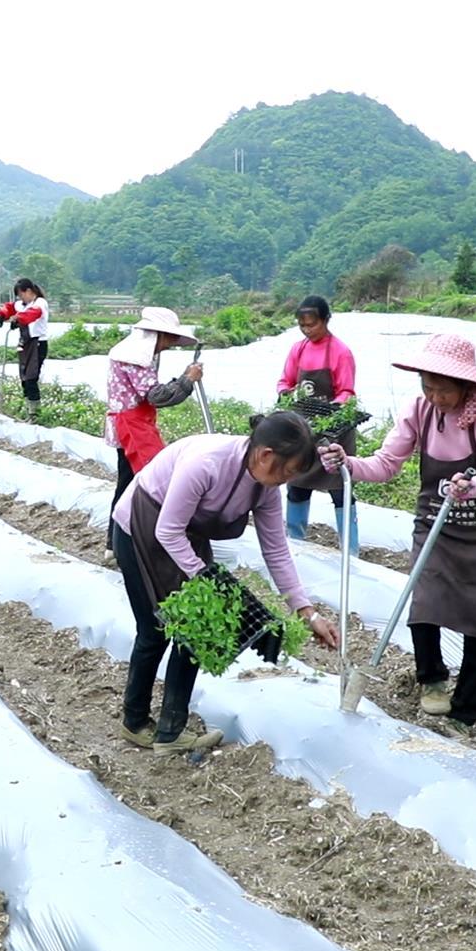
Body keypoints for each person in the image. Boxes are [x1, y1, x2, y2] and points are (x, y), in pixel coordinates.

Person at [110, 412, 340, 754]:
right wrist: (205, 577)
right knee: (153, 631)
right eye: (287, 472)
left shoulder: (264, 488)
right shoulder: (206, 464)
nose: (285, 481)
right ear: (265, 455)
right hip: (142, 526)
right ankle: (135, 722)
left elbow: (276, 550)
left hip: (185, 536)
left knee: (200, 629)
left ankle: (170, 733)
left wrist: (306, 613)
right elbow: (167, 531)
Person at [322, 333, 476, 729]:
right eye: (428, 387)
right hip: (434, 520)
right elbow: (386, 463)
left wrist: (471, 485)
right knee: (423, 597)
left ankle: (467, 710)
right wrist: (349, 464)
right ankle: (432, 680)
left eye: (444, 390)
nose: (435, 397)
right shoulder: (419, 410)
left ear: (467, 386)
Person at [103, 306, 203, 549]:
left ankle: (115, 543)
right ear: (155, 334)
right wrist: (187, 380)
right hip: (132, 426)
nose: (170, 343)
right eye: (168, 337)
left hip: (132, 422)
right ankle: (134, 540)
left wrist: (184, 378)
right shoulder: (134, 358)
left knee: (128, 482)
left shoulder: (134, 353)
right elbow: (156, 396)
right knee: (151, 481)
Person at [276, 295, 359, 550]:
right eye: (302, 325)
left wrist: (336, 406)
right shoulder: (298, 349)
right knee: (297, 487)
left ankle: (350, 549)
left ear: (326, 320)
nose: (307, 329)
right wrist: (286, 394)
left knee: (340, 490)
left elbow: (346, 391)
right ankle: (296, 544)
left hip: (334, 433)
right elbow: (285, 382)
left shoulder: (340, 352)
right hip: (304, 430)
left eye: (312, 324)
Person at [0, 278, 50, 420]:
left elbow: (32, 314)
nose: (20, 298)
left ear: (29, 291)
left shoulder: (40, 303)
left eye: (21, 294)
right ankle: (29, 411)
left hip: (37, 344)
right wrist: (2, 314)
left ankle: (35, 414)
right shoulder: (21, 304)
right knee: (24, 378)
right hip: (25, 343)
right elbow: (10, 307)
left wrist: (17, 320)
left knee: (31, 378)